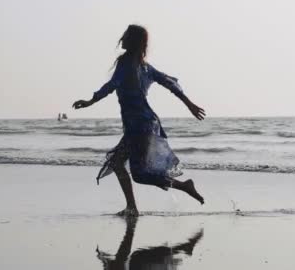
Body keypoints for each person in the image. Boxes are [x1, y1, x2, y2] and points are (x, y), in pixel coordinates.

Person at [73, 24, 206, 216]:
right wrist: (189, 104)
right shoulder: (143, 66)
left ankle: (177, 189)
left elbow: (112, 85)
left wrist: (90, 101)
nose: (123, 38)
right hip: (142, 124)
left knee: (132, 171)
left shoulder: (129, 64)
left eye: (127, 35)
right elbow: (169, 83)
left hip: (140, 126)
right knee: (129, 169)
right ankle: (136, 205)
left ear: (133, 40)